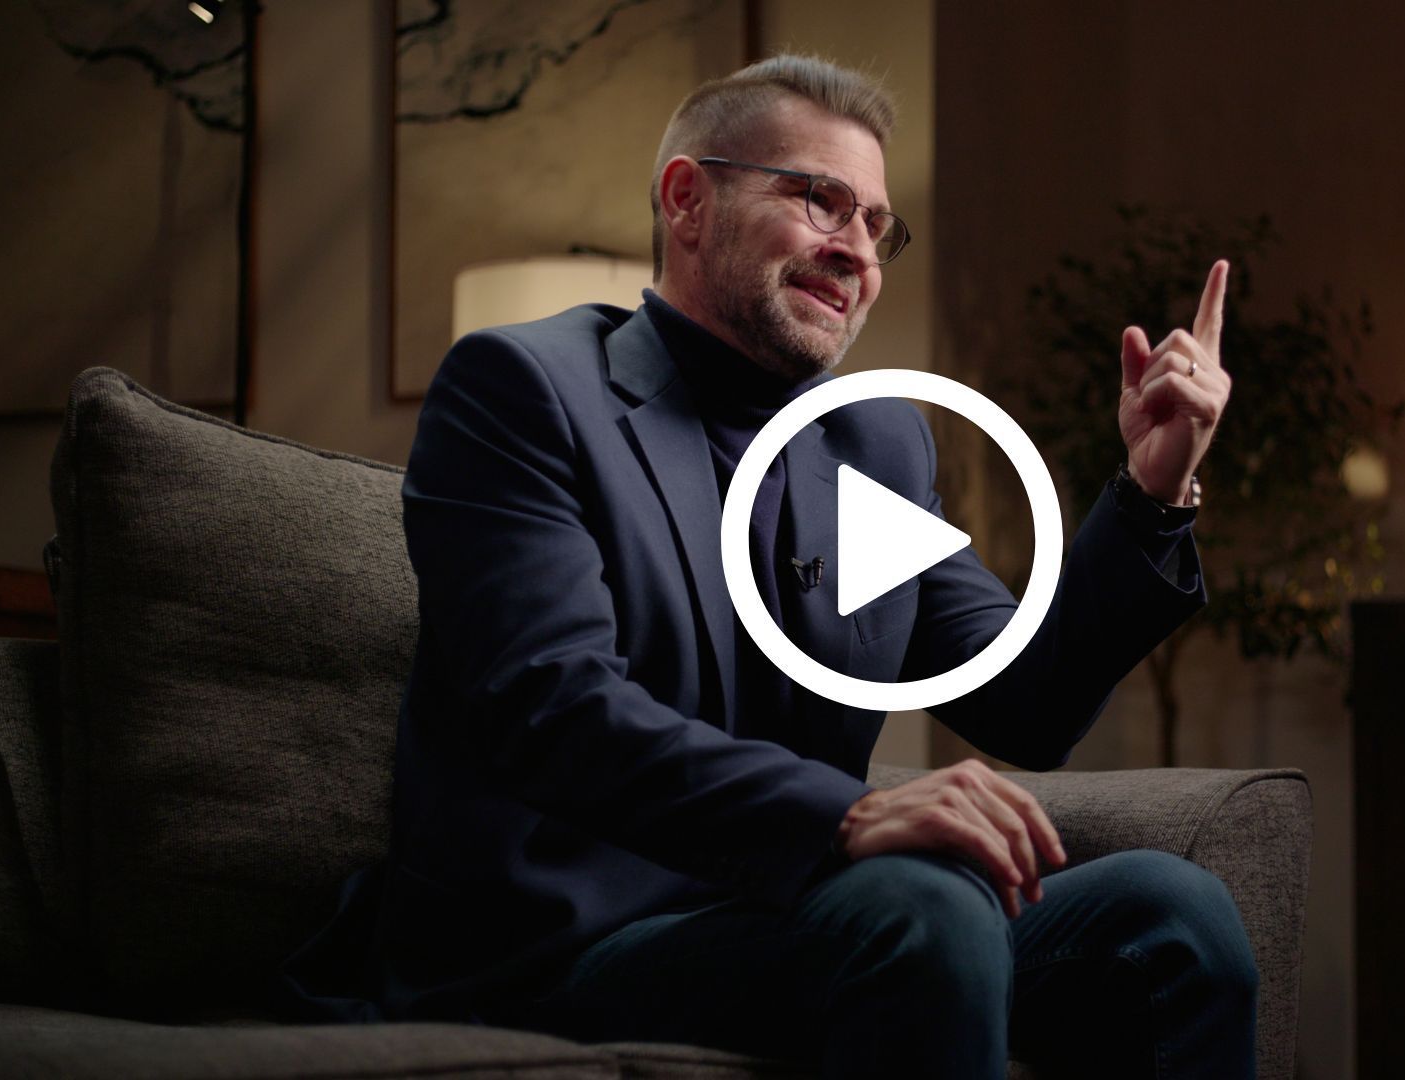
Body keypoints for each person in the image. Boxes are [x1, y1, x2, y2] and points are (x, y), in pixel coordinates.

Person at [278, 54, 1255, 1079]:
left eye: (877, 225)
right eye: (820, 199)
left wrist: (1150, 495)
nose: (857, 249)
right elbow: (552, 710)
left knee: (1172, 912)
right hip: (562, 945)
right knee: (922, 906)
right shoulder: (523, 390)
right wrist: (848, 814)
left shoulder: (873, 444)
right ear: (687, 201)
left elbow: (1028, 704)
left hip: (799, 914)